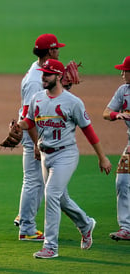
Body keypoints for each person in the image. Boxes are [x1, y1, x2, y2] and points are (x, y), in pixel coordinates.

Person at [16, 59, 112, 258]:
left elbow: (89, 131)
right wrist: (18, 127)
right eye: (42, 74)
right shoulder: (37, 98)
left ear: (59, 76)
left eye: (48, 74)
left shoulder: (73, 102)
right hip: (45, 154)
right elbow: (28, 121)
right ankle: (86, 224)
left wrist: (102, 157)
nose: (43, 77)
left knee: (51, 194)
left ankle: (50, 247)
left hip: (65, 154)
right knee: (61, 198)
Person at [14, 34, 66, 242]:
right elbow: (30, 115)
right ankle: (26, 226)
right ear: (50, 52)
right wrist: (37, 143)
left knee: (37, 181)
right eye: (56, 49)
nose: (59, 52)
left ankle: (25, 216)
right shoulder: (36, 81)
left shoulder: (40, 70)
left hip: (36, 130)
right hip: (33, 132)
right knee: (34, 181)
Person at [102, 56, 130, 241]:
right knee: (122, 181)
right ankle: (126, 227)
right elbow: (106, 113)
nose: (121, 74)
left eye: (125, 71)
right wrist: (116, 114)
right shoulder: (123, 90)